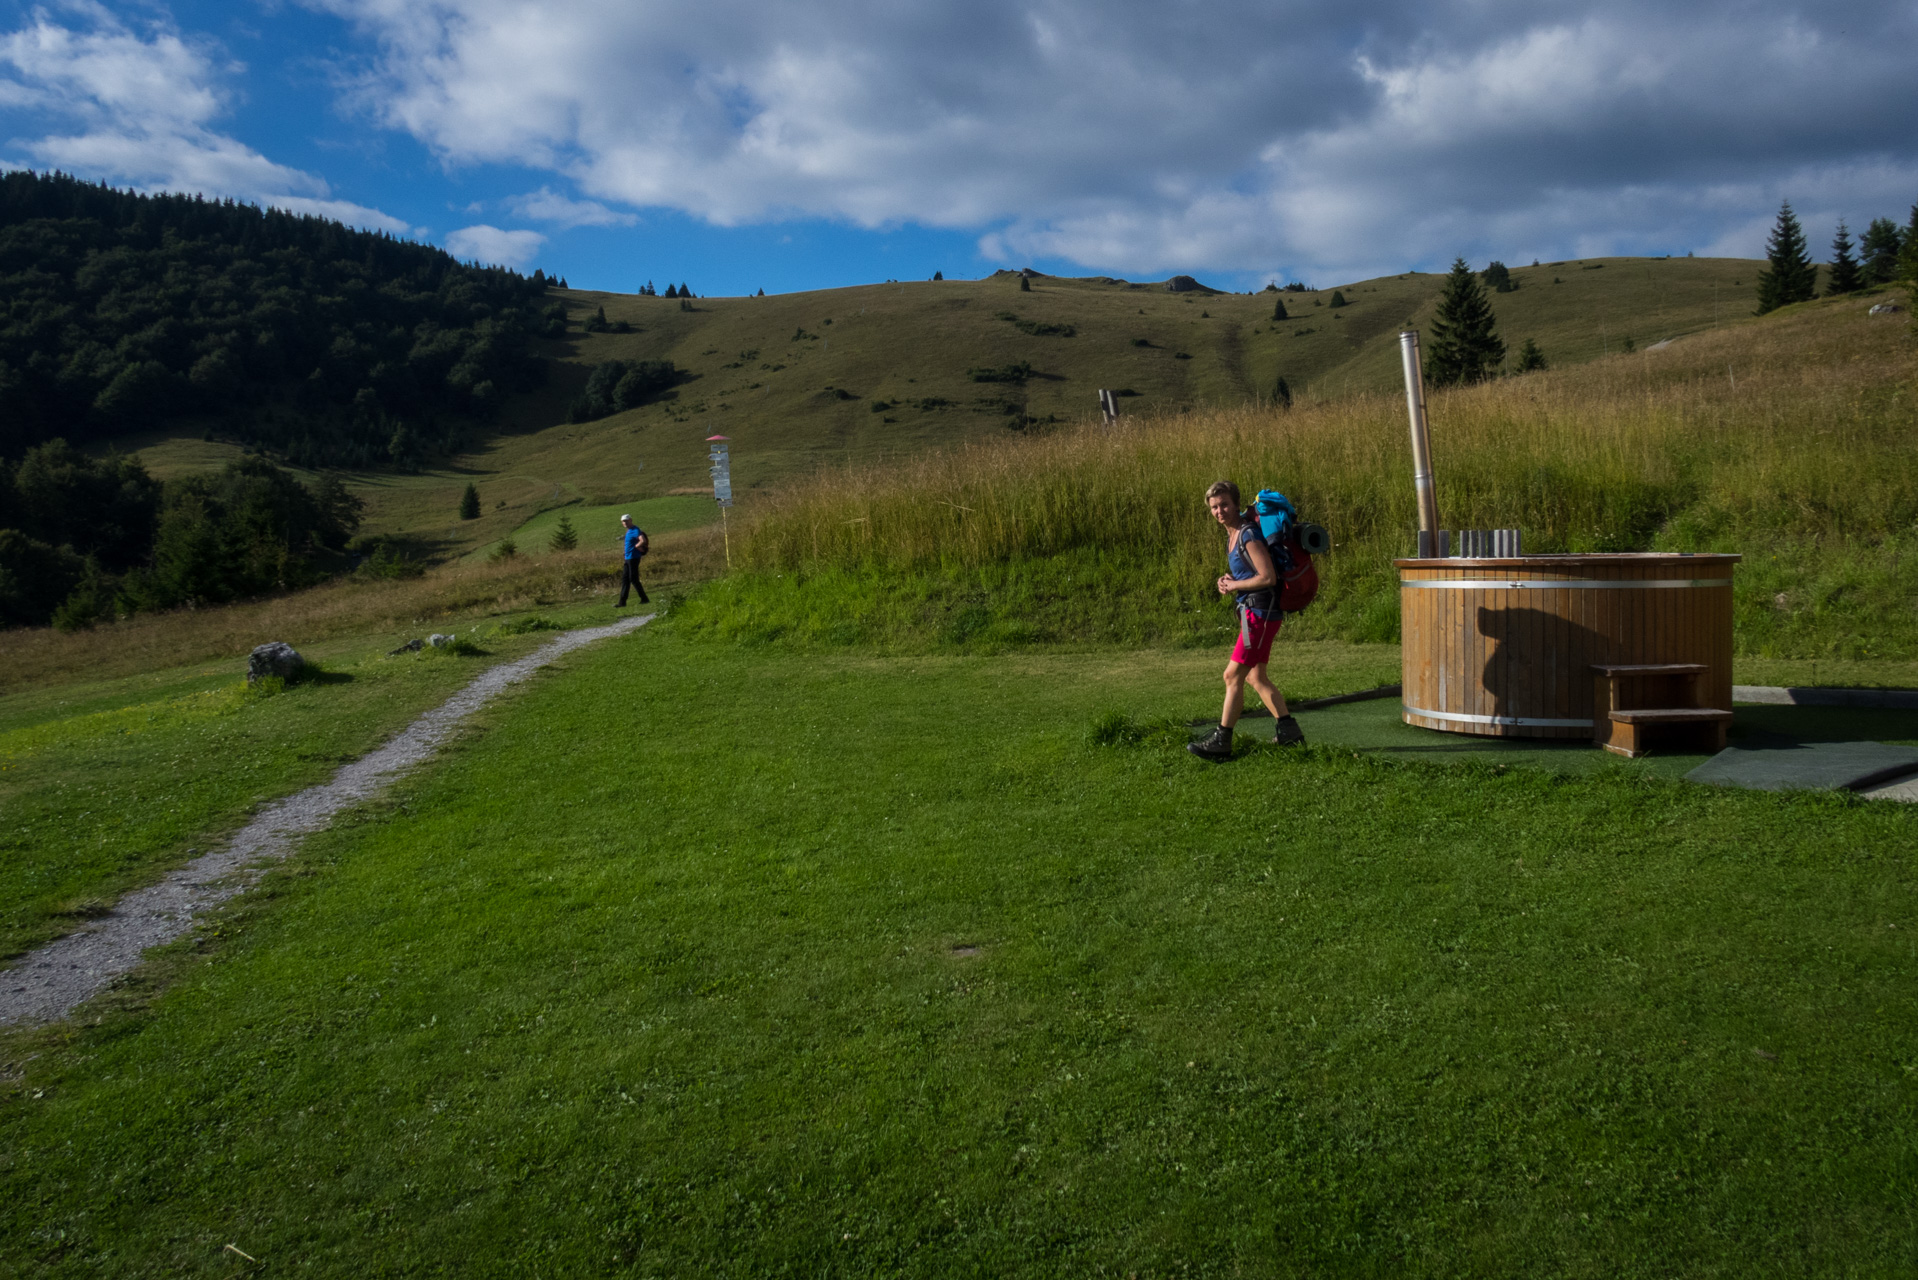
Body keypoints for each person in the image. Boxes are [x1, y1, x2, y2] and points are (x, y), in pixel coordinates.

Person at [1188, 480, 1304, 760]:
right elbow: (1250, 574)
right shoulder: (1233, 535)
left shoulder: (1247, 534)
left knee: (1232, 675)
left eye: (1224, 504)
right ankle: (1289, 732)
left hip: (1260, 615)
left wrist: (1235, 587)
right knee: (1255, 676)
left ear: (1237, 504)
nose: (1219, 511)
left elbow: (1268, 577)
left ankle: (1222, 741)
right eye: (1214, 507)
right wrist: (1230, 581)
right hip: (1254, 613)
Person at [615, 514, 650, 606]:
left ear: (630, 520)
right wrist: (626, 552)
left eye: (626, 521)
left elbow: (642, 540)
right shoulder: (629, 531)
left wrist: (636, 546)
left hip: (633, 557)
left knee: (633, 579)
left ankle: (644, 599)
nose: (624, 523)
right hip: (628, 557)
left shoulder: (635, 530)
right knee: (625, 579)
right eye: (623, 521)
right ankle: (622, 602)